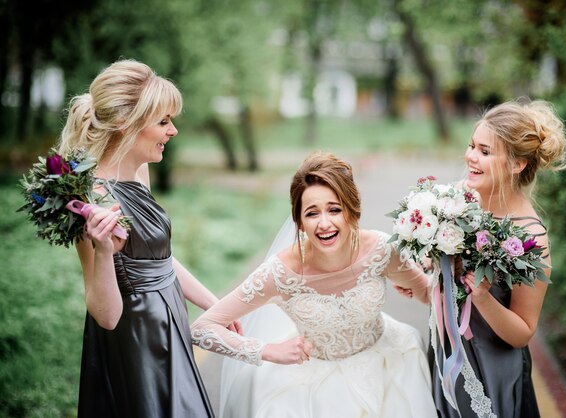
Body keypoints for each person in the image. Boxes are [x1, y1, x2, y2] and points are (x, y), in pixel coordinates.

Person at [190, 151, 439, 418]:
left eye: (334, 209)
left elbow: (428, 294)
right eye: (311, 213)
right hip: (312, 385)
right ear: (299, 222)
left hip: (390, 367)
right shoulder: (281, 272)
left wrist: (444, 266)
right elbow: (202, 328)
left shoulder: (380, 249)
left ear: (352, 210)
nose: (324, 223)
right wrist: (268, 351)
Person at [58, 59, 238, 418]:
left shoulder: (140, 175)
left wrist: (216, 305)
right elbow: (105, 316)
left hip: (170, 323)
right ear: (127, 123)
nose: (173, 131)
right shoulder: (86, 199)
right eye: (163, 121)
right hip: (134, 344)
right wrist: (105, 251)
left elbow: (159, 260)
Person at [419, 98, 566, 417]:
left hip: (493, 372)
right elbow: (448, 284)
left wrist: (485, 299)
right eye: (472, 146)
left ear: (517, 164)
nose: (471, 157)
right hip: (447, 356)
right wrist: (428, 271)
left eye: (485, 152)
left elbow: (523, 332)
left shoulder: (530, 238)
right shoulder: (457, 199)